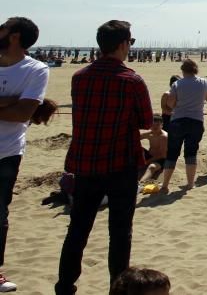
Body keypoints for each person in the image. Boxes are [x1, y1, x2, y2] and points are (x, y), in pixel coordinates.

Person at [57, 20, 154, 294]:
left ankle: (65, 286)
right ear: (123, 44)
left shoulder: (80, 76)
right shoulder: (131, 79)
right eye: (130, 43)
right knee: (120, 232)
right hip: (120, 163)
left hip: (85, 163)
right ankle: (117, 288)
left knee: (77, 230)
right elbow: (146, 120)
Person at [0, 16, 49, 293]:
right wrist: (10, 101)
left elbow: (23, 113)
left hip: (7, 152)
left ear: (15, 36)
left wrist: (17, 106)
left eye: (4, 27)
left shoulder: (36, 69)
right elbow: (17, 108)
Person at [160, 59, 207, 193]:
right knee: (191, 152)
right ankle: (190, 184)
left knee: (172, 153)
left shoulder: (177, 84)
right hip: (196, 121)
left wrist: (178, 105)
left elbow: (170, 104)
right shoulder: (204, 82)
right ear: (195, 69)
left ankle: (165, 185)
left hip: (178, 120)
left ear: (183, 70)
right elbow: (205, 98)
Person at [139, 116, 168, 180]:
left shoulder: (164, 137)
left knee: (152, 167)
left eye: (157, 125)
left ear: (162, 125)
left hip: (161, 160)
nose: (155, 127)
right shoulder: (149, 133)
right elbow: (134, 139)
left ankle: (140, 183)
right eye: (152, 125)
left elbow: (163, 155)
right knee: (136, 148)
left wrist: (146, 162)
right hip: (150, 156)